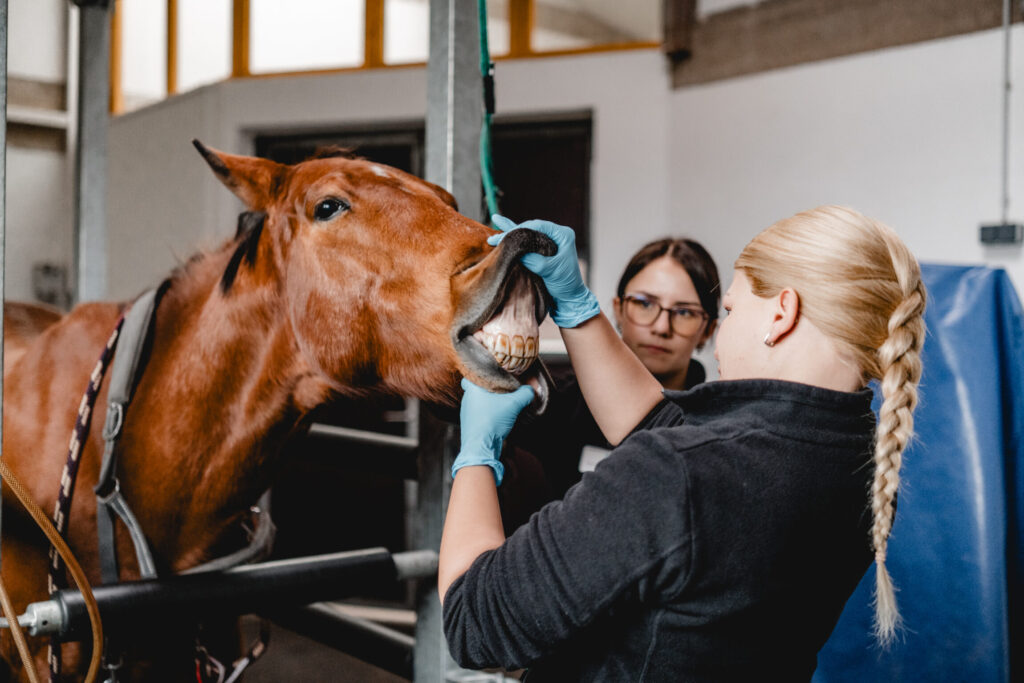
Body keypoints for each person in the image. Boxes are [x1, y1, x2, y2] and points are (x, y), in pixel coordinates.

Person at [438, 206, 926, 681]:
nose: (721, 334)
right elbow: (665, 424)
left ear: (782, 313)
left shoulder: (677, 472)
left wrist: (476, 453)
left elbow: (474, 620)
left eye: (730, 308)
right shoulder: (859, 464)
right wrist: (576, 306)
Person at [498, 235, 720, 533]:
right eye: (644, 303)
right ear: (617, 309)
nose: (661, 327)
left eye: (684, 313)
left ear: (708, 330)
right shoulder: (559, 403)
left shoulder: (716, 426)